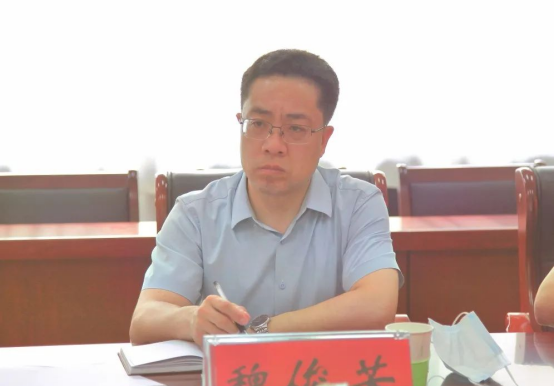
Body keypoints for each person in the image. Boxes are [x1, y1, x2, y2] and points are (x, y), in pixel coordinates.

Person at [130, 49, 403, 346]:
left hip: (327, 375)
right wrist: (191, 320)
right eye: (258, 124)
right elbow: (144, 321)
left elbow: (377, 305)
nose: (273, 145)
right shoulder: (194, 214)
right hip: (225, 376)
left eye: (295, 129)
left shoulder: (359, 204)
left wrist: (259, 332)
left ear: (324, 140)